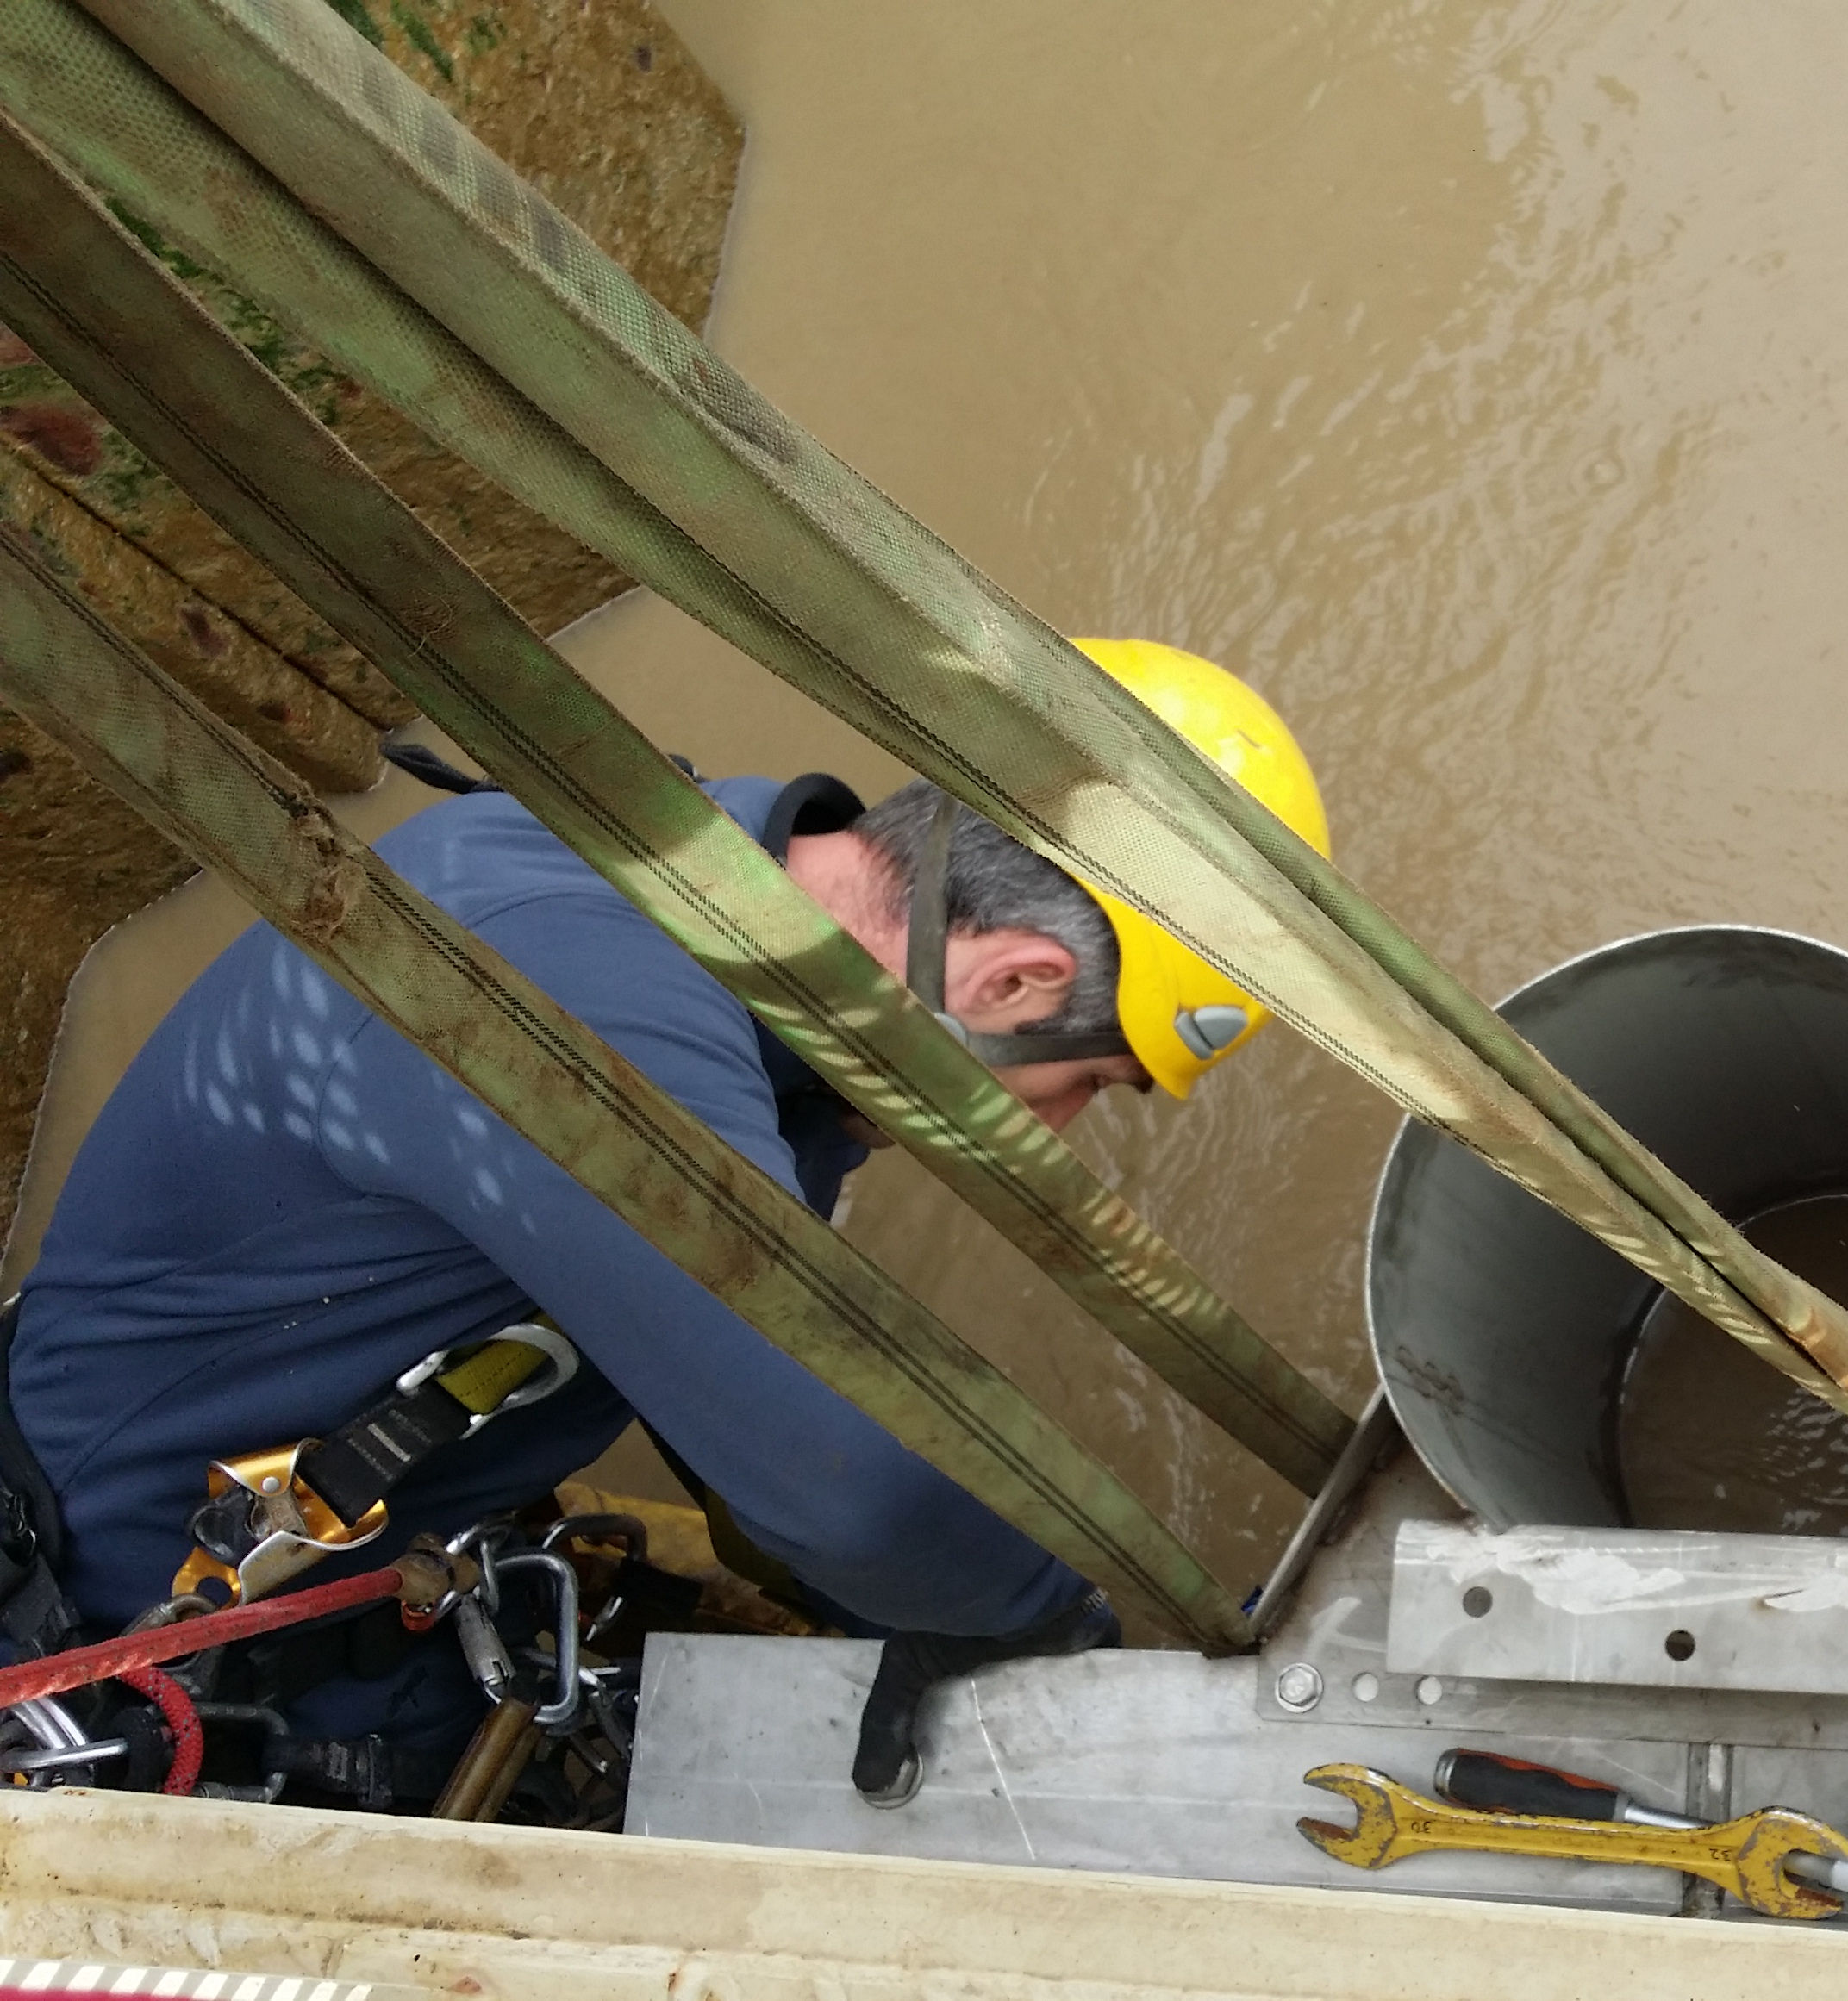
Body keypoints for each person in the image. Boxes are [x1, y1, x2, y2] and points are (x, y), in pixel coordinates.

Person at [1, 639, 1328, 1806]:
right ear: (1016, 979)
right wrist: (1050, 1637)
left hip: (364, 1544)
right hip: (140, 1652)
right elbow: (840, 1478)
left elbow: (736, 1390)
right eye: (1088, 1079)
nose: (1059, 1131)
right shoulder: (579, 992)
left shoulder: (710, 910)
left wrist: (896, 1594)